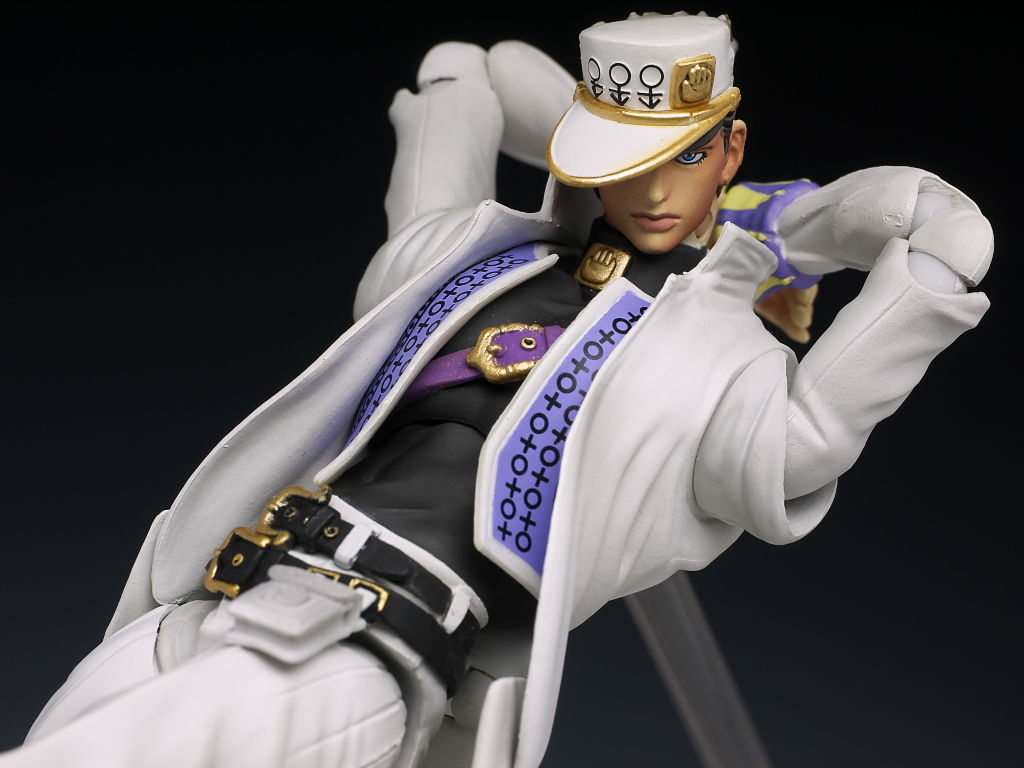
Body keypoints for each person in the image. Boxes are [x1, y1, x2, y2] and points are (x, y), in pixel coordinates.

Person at [1, 12, 992, 768]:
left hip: (370, 647)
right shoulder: (475, 259)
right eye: (629, 161)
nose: (654, 192)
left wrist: (860, 253)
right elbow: (468, 76)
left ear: (730, 151)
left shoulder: (718, 359)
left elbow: (804, 436)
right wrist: (540, 109)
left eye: (687, 155)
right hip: (228, 587)